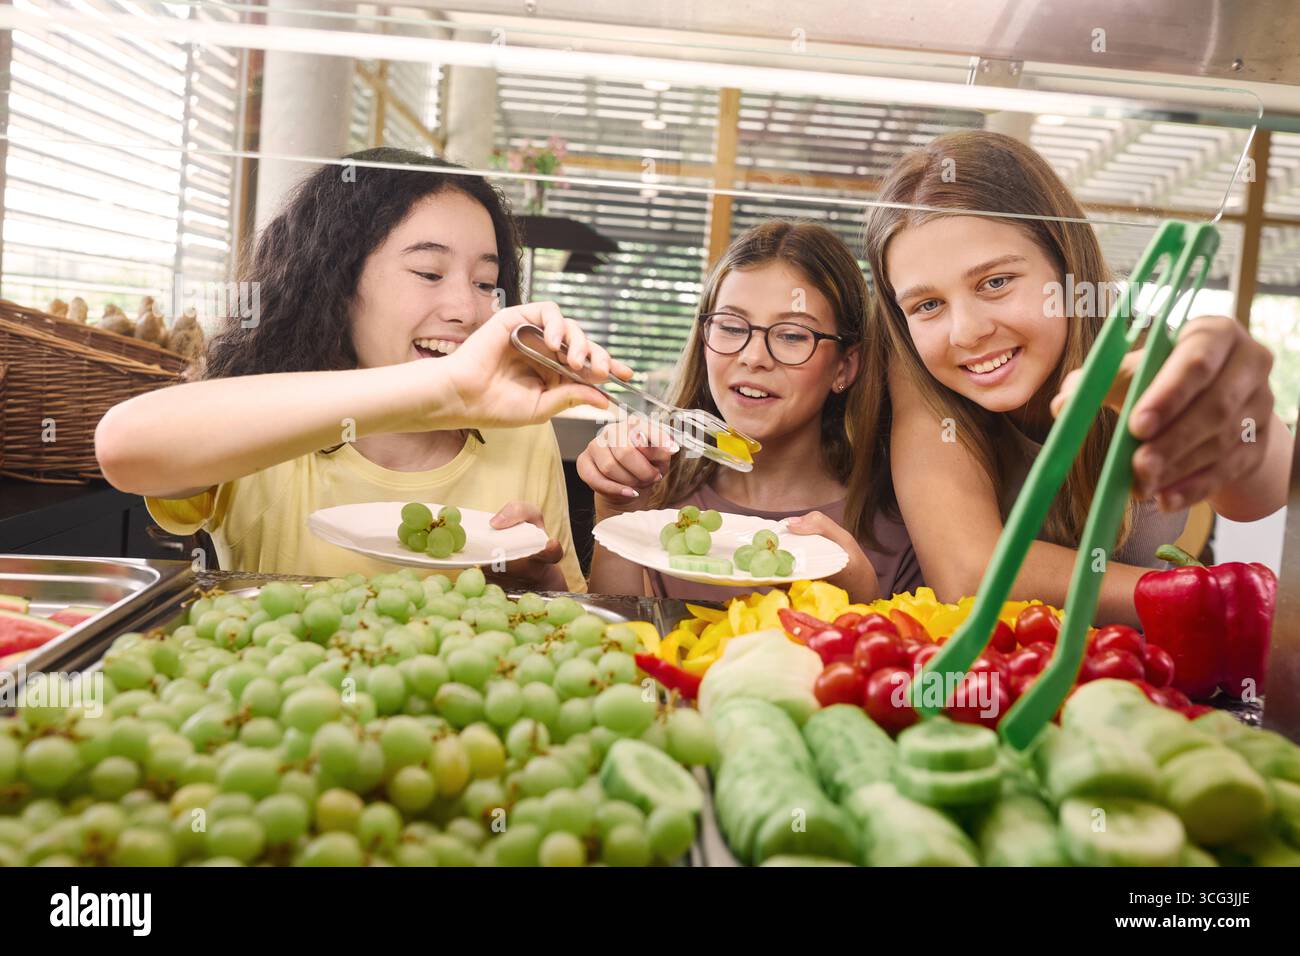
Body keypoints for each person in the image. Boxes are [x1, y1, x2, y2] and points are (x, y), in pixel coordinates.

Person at [96, 148, 628, 590]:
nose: (467, 309)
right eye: (428, 271)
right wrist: (439, 388)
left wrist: (539, 584)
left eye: (486, 283)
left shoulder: (521, 435)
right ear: (336, 282)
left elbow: (563, 618)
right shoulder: (268, 418)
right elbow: (124, 444)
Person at [865, 130, 1292, 624]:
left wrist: (1246, 425)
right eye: (928, 305)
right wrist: (1200, 597)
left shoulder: (1139, 347)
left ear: (1066, 266)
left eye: (996, 282)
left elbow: (1261, 494)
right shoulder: (917, 373)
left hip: (1141, 677)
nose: (966, 332)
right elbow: (971, 574)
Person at [577, 220, 921, 602]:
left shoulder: (900, 528)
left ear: (844, 367)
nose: (753, 357)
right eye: (730, 326)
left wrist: (860, 605)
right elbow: (617, 644)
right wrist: (617, 511)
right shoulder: (657, 496)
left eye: (792, 335)